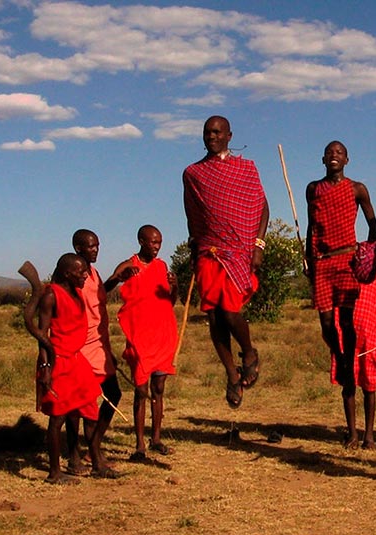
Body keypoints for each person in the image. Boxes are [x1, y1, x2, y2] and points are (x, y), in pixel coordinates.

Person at [183, 115, 269, 410]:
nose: (212, 136)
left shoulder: (246, 168)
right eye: (207, 132)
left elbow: (262, 207)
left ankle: (249, 353)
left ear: (230, 136)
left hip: (240, 251)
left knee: (230, 312)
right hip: (209, 251)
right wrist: (194, 246)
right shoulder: (193, 173)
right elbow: (192, 213)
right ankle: (232, 375)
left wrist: (259, 245)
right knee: (215, 316)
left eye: (217, 132)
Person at [305, 140, 376, 449]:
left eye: (339, 153)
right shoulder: (313, 189)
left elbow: (373, 225)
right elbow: (311, 226)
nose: (334, 156)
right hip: (321, 262)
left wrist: (369, 251)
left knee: (347, 322)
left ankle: (347, 361)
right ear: (323, 158)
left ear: (347, 159)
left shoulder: (357, 189)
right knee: (326, 323)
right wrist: (307, 257)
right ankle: (342, 359)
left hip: (347, 258)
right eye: (329, 152)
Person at [36, 253, 108, 483]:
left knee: (90, 410)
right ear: (67, 273)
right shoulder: (50, 295)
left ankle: (97, 463)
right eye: (80, 272)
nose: (85, 275)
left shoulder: (76, 292)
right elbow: (42, 335)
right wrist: (46, 368)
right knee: (58, 418)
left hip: (77, 361)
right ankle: (54, 473)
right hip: (58, 362)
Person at [111, 225, 178, 461]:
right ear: (141, 241)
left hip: (163, 334)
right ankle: (139, 444)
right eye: (153, 242)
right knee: (141, 390)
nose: (157, 247)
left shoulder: (161, 267)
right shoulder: (129, 265)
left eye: (159, 242)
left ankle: (156, 439)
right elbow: (105, 288)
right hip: (140, 336)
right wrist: (119, 277)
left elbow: (170, 301)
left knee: (158, 389)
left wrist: (176, 284)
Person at [64, 229, 122, 475]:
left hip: (99, 343)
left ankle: (93, 446)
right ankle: (77, 456)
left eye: (97, 245)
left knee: (113, 393)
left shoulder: (93, 273)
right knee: (79, 404)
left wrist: (115, 279)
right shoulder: (75, 276)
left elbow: (97, 300)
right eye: (90, 246)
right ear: (78, 248)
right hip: (81, 346)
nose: (96, 250)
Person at [330, 276, 376, 449]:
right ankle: (353, 434)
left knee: (370, 388)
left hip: (371, 337)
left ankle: (368, 435)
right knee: (348, 386)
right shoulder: (345, 277)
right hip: (347, 338)